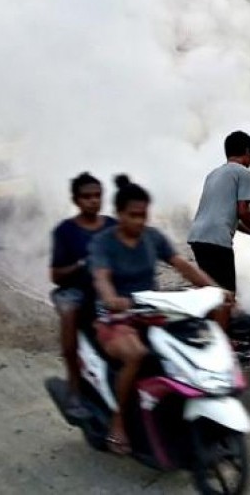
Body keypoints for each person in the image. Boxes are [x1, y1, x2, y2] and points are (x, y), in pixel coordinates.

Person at [90, 175, 224, 454]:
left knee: (192, 342)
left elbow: (183, 266)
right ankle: (118, 422)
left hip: (151, 312)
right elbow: (101, 277)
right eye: (133, 215)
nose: (139, 221)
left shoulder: (152, 237)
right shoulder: (103, 243)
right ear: (119, 214)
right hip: (115, 319)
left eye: (143, 215)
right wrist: (111, 299)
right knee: (136, 355)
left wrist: (215, 289)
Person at [187, 131, 250, 334]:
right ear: (247, 152)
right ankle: (223, 342)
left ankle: (210, 335)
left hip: (198, 237)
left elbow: (229, 217)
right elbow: (243, 212)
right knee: (226, 294)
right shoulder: (243, 173)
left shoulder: (214, 174)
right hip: (217, 240)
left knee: (211, 291)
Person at [49, 172, 116, 419]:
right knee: (70, 315)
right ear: (76, 200)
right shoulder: (65, 231)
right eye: (87, 197)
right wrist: (80, 265)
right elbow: (56, 276)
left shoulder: (111, 226)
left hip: (107, 290)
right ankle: (74, 390)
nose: (93, 201)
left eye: (97, 196)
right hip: (74, 291)